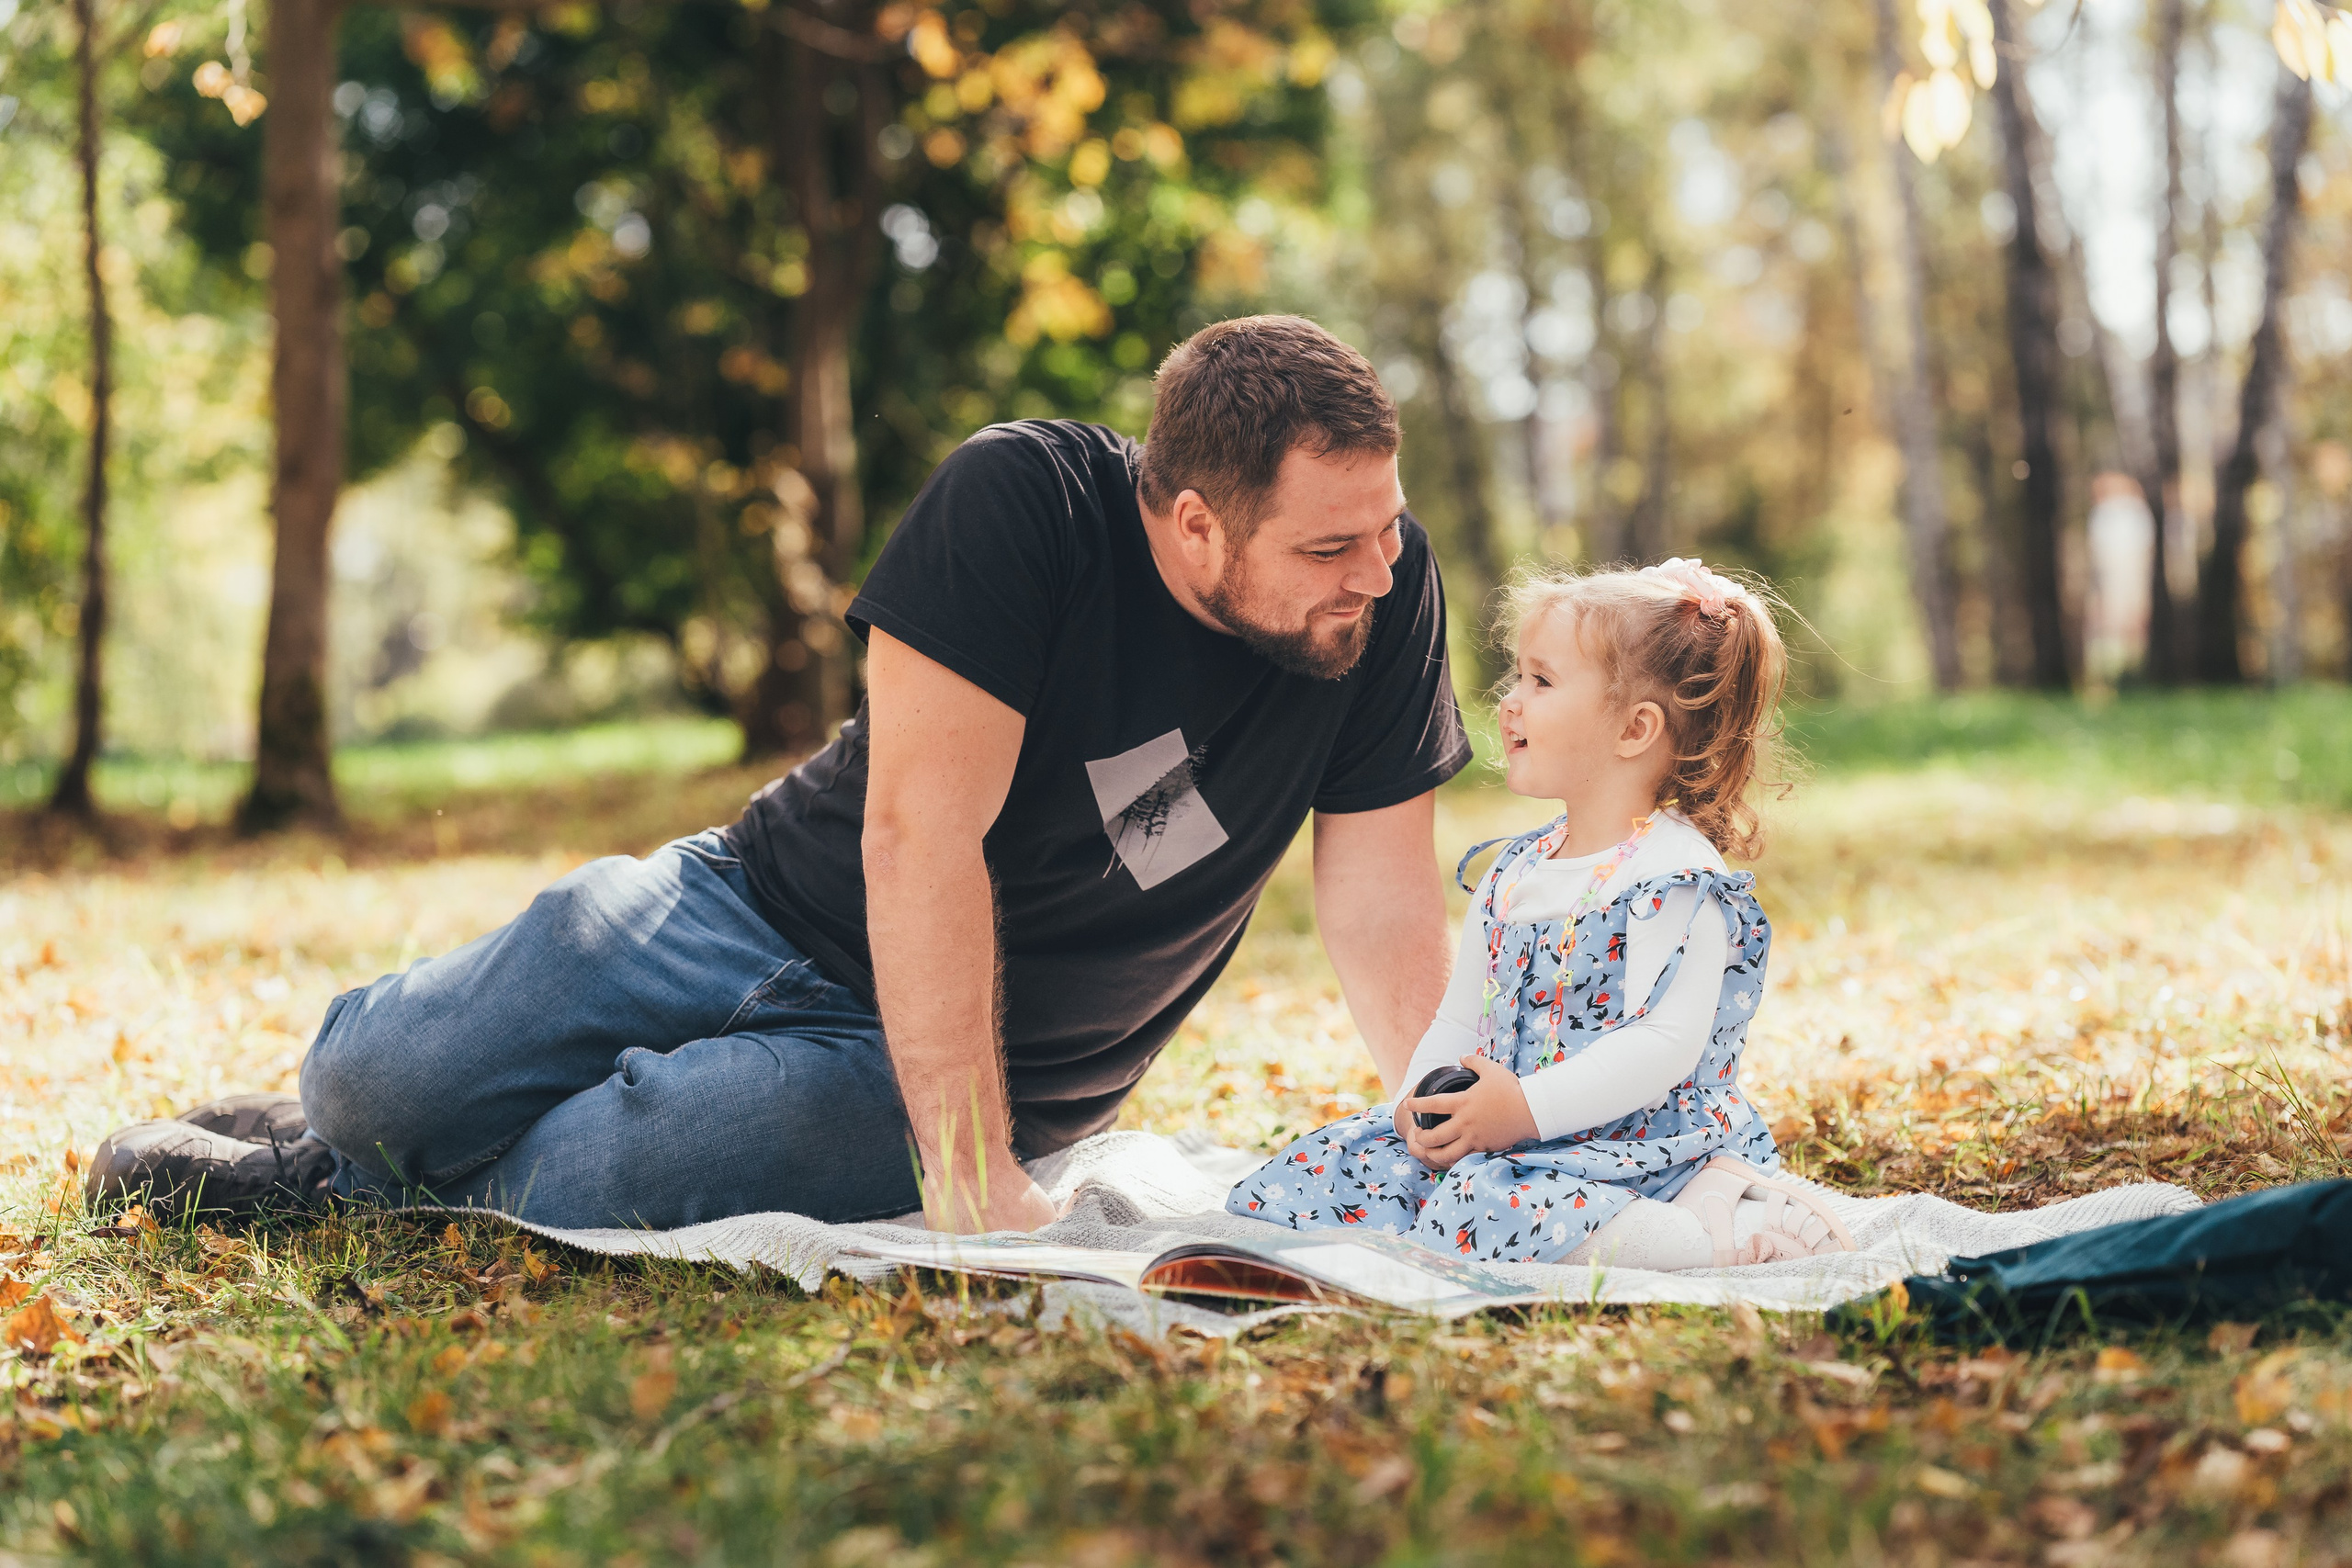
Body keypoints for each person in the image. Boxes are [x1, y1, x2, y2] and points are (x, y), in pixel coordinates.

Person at [86, 315, 1473, 1235]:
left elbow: (1380, 901)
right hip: (752, 905)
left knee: (645, 1160)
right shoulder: (1026, 504)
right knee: (373, 1076)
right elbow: (919, 835)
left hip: (982, 1057)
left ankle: (332, 1191)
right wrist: (963, 1178)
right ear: (1194, 522)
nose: (1375, 570)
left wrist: (1467, 1130)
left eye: (1387, 527)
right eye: (1327, 548)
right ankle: (340, 1136)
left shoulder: (1386, 596)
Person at [1225, 558, 1855, 1269]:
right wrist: (1417, 1102)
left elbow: (1663, 1046)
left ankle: (1709, 1232)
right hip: (1510, 1137)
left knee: (1493, 1206)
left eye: (1541, 681)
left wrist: (1526, 1109)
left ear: (1634, 728)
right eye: (1517, 676)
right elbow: (1459, 1019)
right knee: (1331, 1167)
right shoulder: (1515, 872)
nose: (1510, 701)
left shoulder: (1673, 877)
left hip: (1634, 1147)